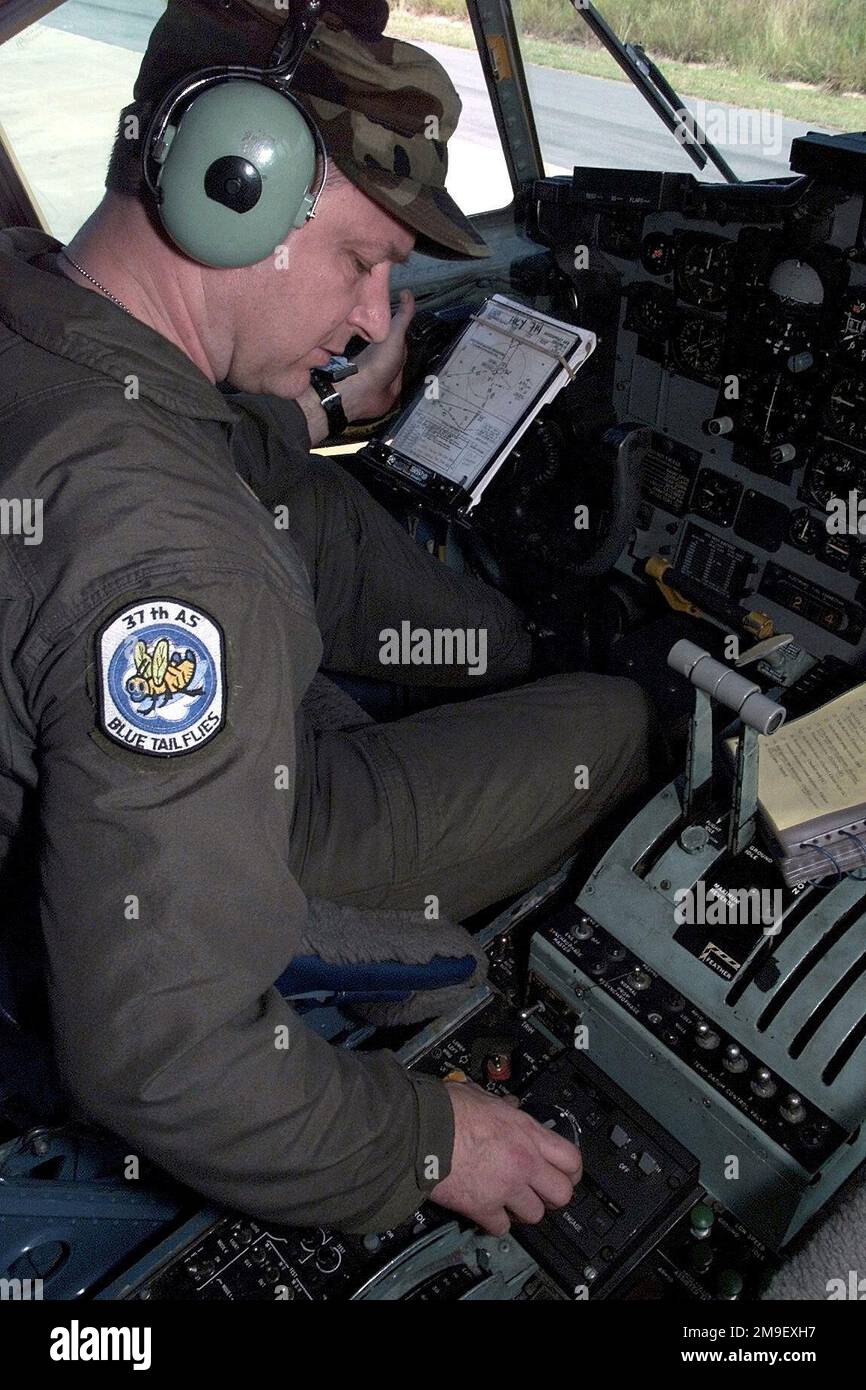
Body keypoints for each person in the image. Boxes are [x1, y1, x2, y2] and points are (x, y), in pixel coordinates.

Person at [0, 0, 651, 1237]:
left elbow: (185, 442)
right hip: (158, 878)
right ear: (225, 189)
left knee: (302, 492)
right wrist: (427, 1138)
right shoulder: (180, 565)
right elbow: (163, 1051)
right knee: (612, 717)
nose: (370, 315)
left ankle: (502, 654)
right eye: (363, 261)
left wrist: (301, 422)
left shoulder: (35, 308)